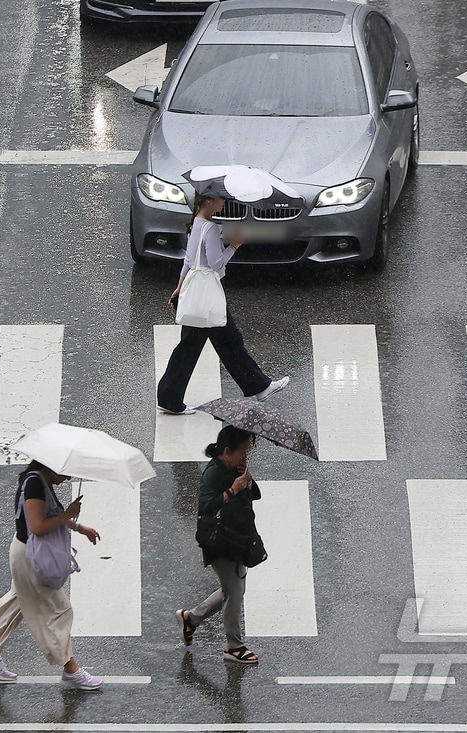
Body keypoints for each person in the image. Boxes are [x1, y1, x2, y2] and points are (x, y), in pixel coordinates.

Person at [0, 461, 105, 690]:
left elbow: (48, 516)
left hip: (25, 552)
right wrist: (68, 514)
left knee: (18, 604)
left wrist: (79, 526)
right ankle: (71, 670)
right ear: (52, 466)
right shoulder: (35, 484)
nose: (67, 478)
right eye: (65, 473)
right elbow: (38, 526)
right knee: (61, 610)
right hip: (31, 557)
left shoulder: (39, 480)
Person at [157, 194, 289, 415]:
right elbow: (216, 265)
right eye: (221, 199)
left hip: (199, 294)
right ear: (208, 201)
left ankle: (259, 386)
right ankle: (170, 397)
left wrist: (180, 288)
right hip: (207, 296)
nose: (224, 203)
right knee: (205, 344)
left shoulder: (196, 224)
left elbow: (188, 262)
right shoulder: (208, 228)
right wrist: (235, 246)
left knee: (227, 341)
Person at [176, 425, 262, 664]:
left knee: (233, 590)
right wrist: (233, 489)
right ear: (226, 451)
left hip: (238, 536)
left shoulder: (235, 467)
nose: (245, 456)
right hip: (220, 540)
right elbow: (207, 506)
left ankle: (191, 619)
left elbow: (254, 495)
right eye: (242, 451)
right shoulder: (213, 473)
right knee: (234, 590)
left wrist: (246, 480)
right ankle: (234, 647)